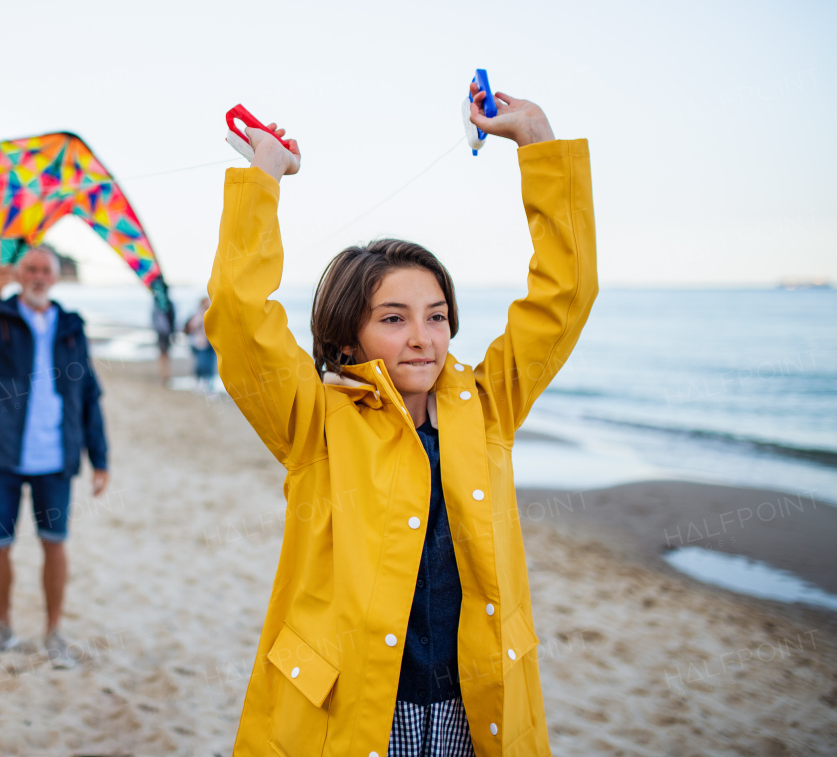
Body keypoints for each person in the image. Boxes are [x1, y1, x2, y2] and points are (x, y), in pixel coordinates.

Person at [206, 85, 596, 757]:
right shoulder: (314, 421)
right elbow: (240, 315)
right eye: (394, 317)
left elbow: (563, 297)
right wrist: (263, 175)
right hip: (353, 706)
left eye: (436, 314)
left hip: (472, 705)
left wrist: (538, 143)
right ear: (347, 334)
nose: (423, 336)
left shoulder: (490, 403)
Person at [0, 245, 110, 669]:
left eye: (45, 270)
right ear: (19, 274)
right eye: (30, 269)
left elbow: (90, 394)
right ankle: (3, 626)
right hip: (1, 456)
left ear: (55, 277)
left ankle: (53, 632)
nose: (37, 276)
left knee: (55, 545)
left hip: (55, 459)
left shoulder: (71, 325)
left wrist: (100, 458)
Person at [184, 296, 216, 394]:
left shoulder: (213, 314)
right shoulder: (197, 315)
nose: (207, 304)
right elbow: (188, 328)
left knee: (210, 365)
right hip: (200, 343)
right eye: (205, 303)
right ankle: (197, 383)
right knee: (201, 364)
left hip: (212, 343)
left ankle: (208, 384)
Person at [151, 296, 176, 384]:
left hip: (162, 333)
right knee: (164, 355)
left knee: (163, 355)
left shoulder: (158, 302)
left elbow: (154, 319)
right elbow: (173, 319)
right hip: (165, 333)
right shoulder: (167, 303)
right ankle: (165, 374)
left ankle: (165, 374)